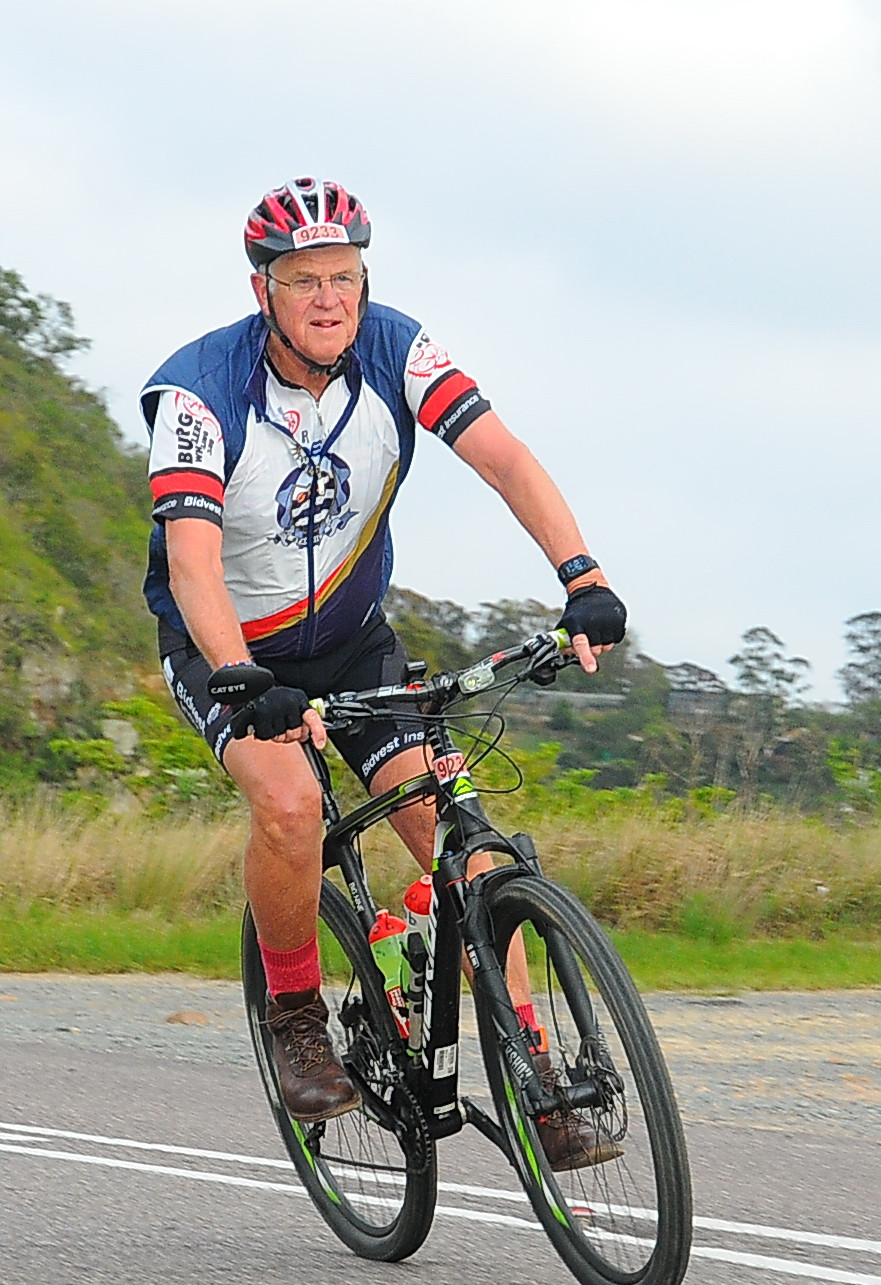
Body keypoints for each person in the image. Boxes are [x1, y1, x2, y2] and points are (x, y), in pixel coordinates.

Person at [141, 177, 627, 1170]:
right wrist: (242, 676)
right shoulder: (198, 392)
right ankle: (293, 1017)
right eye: (305, 280)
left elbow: (504, 458)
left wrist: (583, 577)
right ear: (262, 290)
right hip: (228, 647)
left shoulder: (399, 350)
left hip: (356, 641)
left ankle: (536, 1078)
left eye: (347, 277)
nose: (330, 299)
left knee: (468, 846)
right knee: (289, 810)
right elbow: (192, 563)